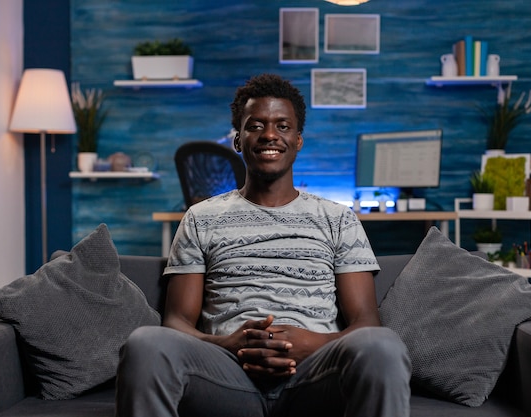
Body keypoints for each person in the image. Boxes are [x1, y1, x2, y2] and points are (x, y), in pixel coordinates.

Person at [116, 73, 411, 417]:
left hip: (316, 375)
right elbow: (177, 321)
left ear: (298, 140)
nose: (270, 134)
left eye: (283, 126)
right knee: (145, 344)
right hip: (225, 375)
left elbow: (366, 323)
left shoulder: (338, 219)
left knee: (383, 345)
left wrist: (310, 343)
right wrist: (228, 344)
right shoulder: (200, 218)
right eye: (256, 125)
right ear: (238, 140)